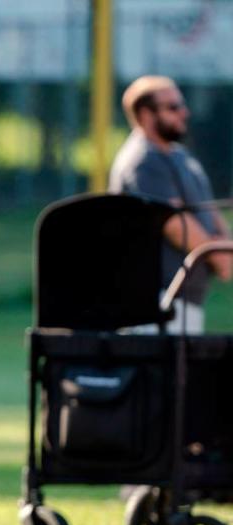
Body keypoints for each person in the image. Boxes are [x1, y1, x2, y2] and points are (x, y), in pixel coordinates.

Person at [109, 75, 232, 334]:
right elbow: (174, 224)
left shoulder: (179, 155)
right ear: (145, 114)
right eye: (173, 107)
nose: (183, 113)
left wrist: (225, 247)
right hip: (157, 299)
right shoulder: (144, 161)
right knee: (164, 373)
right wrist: (220, 256)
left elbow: (207, 209)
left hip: (183, 297)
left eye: (181, 105)